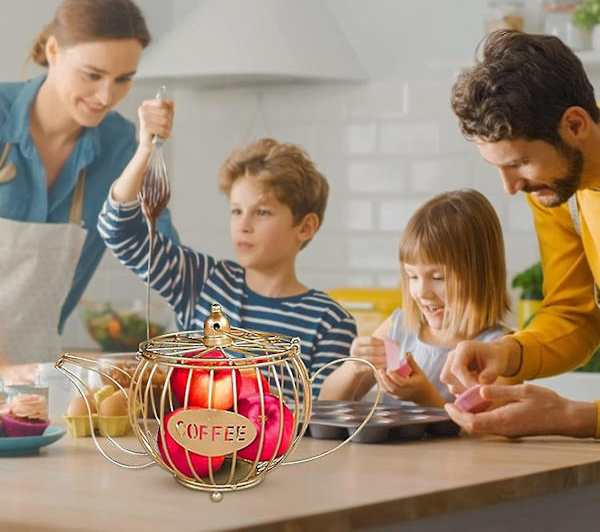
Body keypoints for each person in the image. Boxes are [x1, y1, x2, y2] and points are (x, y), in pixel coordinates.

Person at [0, 0, 178, 369]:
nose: (105, 96)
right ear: (53, 52)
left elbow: (164, 258)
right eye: (93, 75)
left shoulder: (121, 149)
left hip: (33, 383)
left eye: (122, 79)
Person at [97, 137, 356, 399]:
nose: (243, 225)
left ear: (305, 227)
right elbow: (120, 234)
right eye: (236, 211)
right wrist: (145, 149)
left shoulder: (329, 323)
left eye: (262, 212)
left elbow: (323, 422)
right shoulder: (203, 283)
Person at [443, 29, 600, 439]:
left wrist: (575, 417)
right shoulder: (557, 189)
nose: (510, 187)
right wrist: (507, 353)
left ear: (575, 124)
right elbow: (574, 315)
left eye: (521, 162)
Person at [319, 189, 511, 407]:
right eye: (412, 276)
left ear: (481, 274)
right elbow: (326, 402)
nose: (422, 292)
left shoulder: (501, 351)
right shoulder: (399, 328)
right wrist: (354, 368)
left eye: (438, 278)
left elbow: (485, 432)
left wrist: (423, 397)